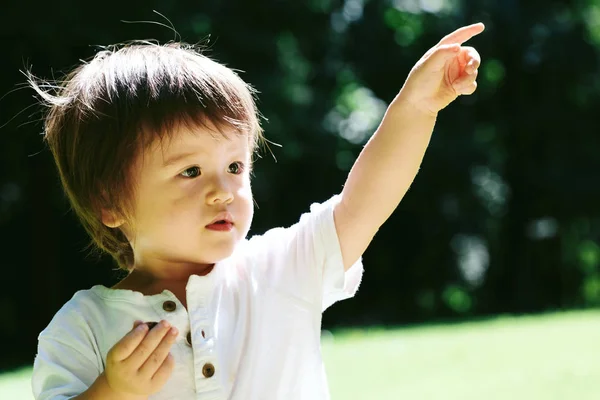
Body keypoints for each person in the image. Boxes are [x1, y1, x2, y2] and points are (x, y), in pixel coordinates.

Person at [30, 22, 484, 400]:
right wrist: (112, 390)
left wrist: (418, 106)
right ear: (110, 202)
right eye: (190, 171)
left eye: (234, 166)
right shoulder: (83, 328)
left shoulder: (281, 268)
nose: (222, 191)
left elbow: (364, 204)